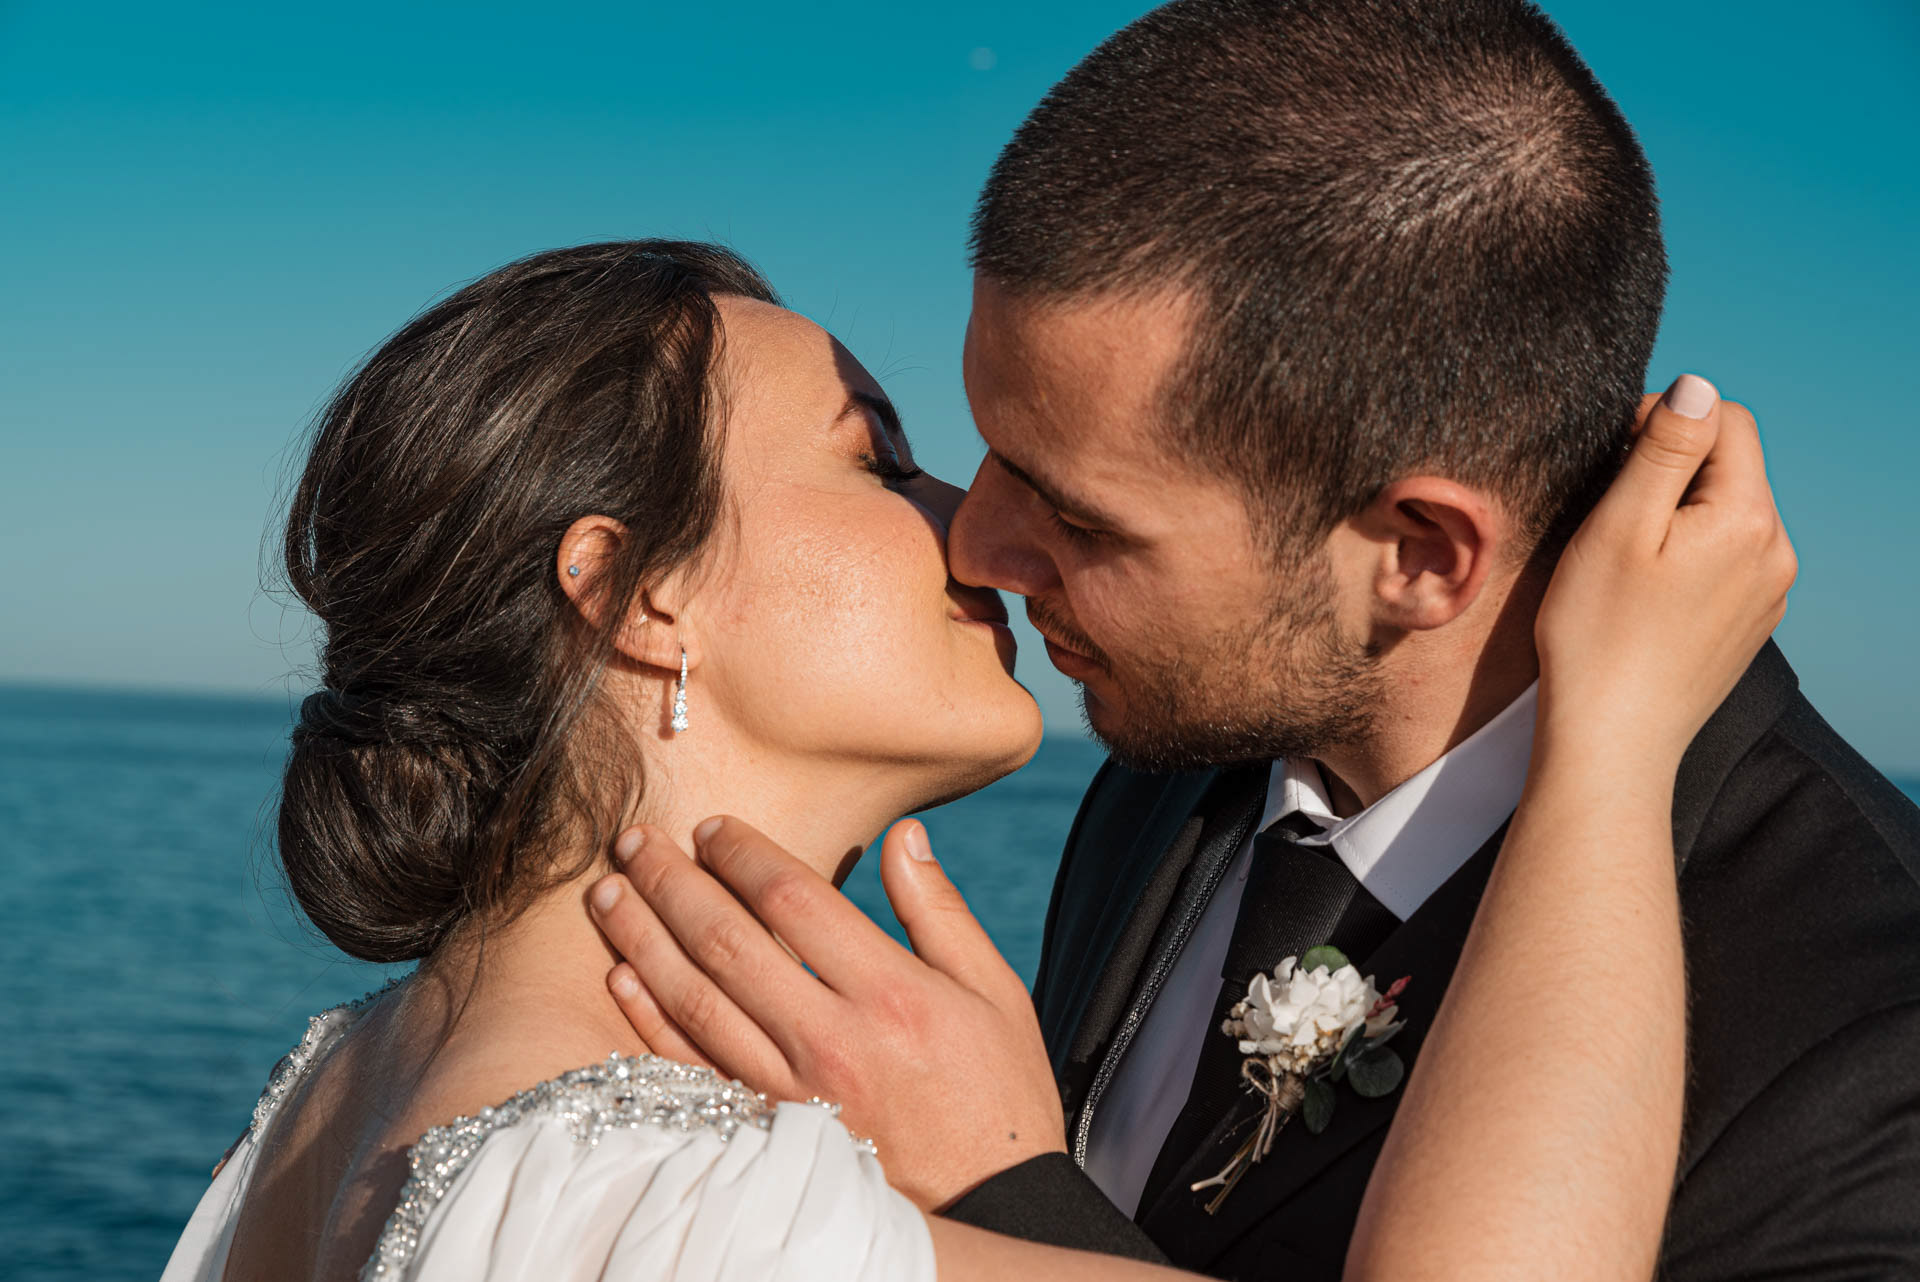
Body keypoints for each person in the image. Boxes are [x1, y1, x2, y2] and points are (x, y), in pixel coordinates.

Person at [589, 2, 1920, 1279]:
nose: (976, 545)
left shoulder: (1864, 1031)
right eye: (991, 451)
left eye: (1077, 513)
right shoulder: (1174, 763)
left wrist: (1003, 1188)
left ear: (1417, 554)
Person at [160, 237, 1786, 1282]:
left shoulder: (322, 1103)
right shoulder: (672, 1209)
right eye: (882, 458)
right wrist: (1617, 734)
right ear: (637, 590)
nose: (984, 534)